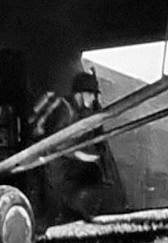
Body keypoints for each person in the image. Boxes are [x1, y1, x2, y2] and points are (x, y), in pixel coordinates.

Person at [28, 71, 121, 229]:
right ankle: (52, 222)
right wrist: (80, 155)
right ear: (80, 94)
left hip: (62, 158)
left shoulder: (79, 110)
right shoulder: (64, 110)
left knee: (92, 172)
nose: (93, 99)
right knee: (55, 193)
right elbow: (54, 144)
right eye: (90, 94)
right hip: (48, 159)